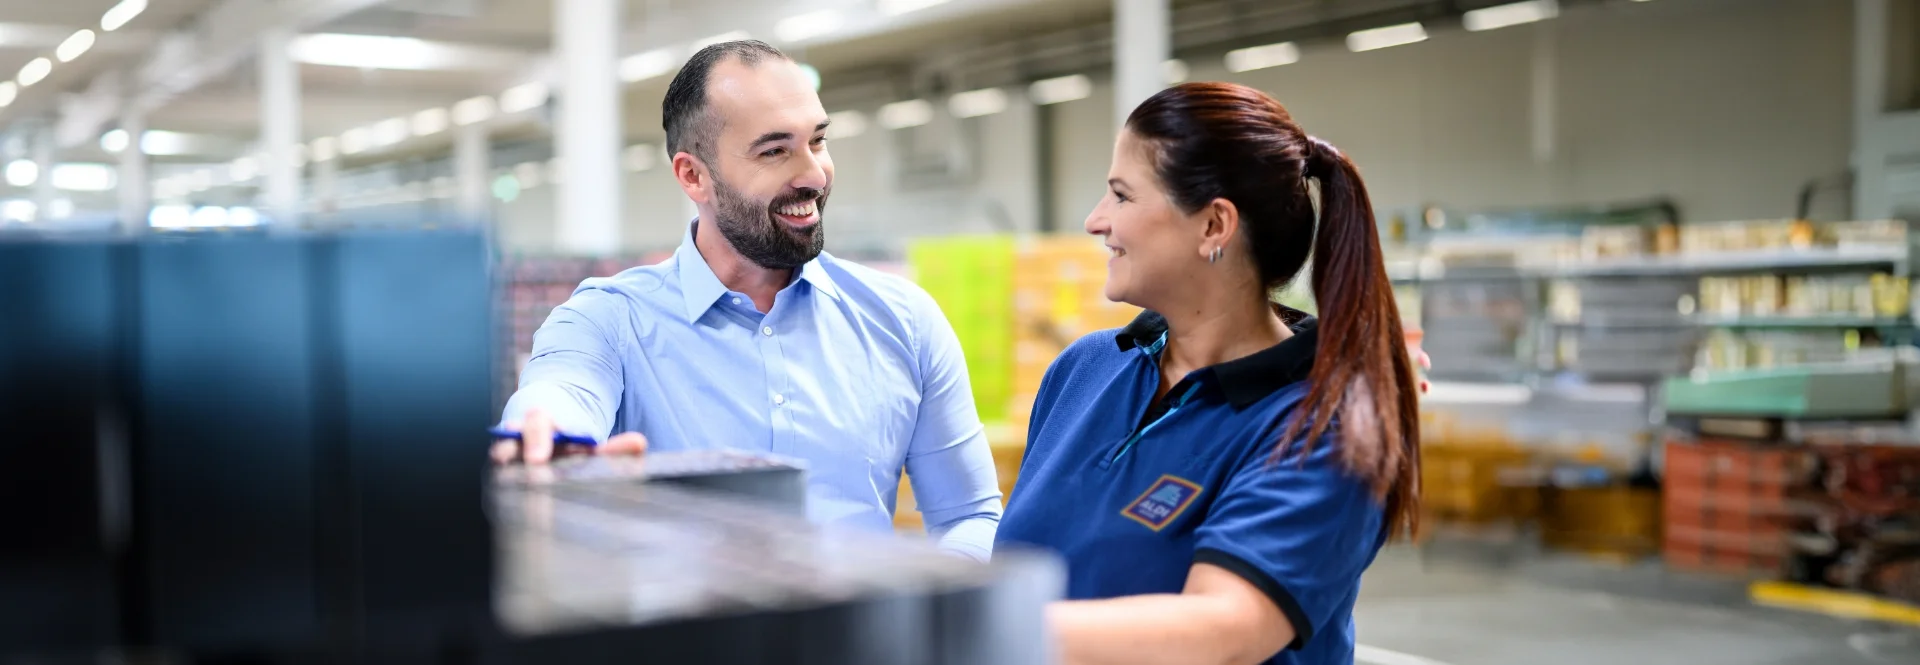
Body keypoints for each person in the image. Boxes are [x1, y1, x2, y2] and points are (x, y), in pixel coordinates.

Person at [490, 40, 1003, 561]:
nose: (813, 174)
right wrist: (546, 430)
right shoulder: (608, 320)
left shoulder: (904, 320)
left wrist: (918, 620)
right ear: (693, 176)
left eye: (818, 141)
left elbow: (969, 515)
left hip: (860, 638)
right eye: (774, 151)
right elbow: (563, 390)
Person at [993, 82, 1422, 665]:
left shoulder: (1323, 424)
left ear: (1215, 226)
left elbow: (1223, 631)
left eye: (1121, 196)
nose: (1096, 221)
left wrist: (960, 627)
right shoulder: (1086, 369)